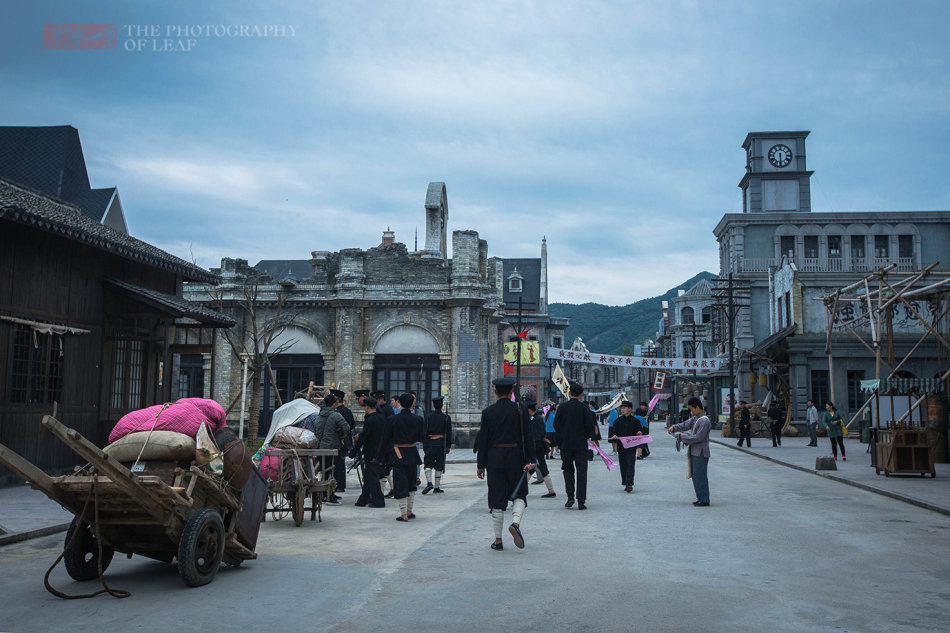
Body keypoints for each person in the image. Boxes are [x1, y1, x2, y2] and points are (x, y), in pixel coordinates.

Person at [476, 377, 535, 550]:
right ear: (511, 392)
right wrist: (531, 459)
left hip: (494, 458)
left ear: (495, 392)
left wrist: (481, 464)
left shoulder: (488, 412)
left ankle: (498, 540)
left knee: (496, 497)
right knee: (520, 493)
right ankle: (515, 523)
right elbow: (529, 436)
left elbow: (483, 440)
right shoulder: (521, 409)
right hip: (516, 457)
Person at [379, 392, 424, 521]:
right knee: (411, 482)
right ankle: (410, 510)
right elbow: (421, 437)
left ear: (400, 403)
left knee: (400, 483)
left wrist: (381, 457)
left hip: (398, 454)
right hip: (412, 453)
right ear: (412, 403)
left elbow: (385, 439)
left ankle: (403, 513)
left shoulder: (392, 419)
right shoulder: (418, 419)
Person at [553, 382, 596, 510]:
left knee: (567, 470)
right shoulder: (584, 408)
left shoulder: (562, 407)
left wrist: (563, 435)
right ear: (581, 394)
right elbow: (590, 426)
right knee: (582, 472)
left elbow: (556, 424)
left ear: (569, 393)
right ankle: (581, 500)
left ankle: (570, 496)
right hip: (581, 445)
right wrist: (585, 436)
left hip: (566, 445)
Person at [667, 396, 711, 506]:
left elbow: (698, 437)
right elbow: (686, 424)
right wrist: (675, 427)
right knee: (695, 475)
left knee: (700, 475)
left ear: (697, 407)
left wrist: (683, 437)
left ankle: (704, 499)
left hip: (701, 451)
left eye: (692, 409)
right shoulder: (696, 418)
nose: (691, 411)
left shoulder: (704, 420)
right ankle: (700, 497)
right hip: (694, 451)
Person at [313, 393, 351, 505]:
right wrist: (341, 436)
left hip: (321, 447)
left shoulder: (319, 416)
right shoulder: (336, 415)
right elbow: (347, 428)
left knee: (324, 471)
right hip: (333, 447)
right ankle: (328, 494)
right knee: (331, 471)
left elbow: (316, 431)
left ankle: (324, 493)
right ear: (334, 404)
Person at [352, 398, 386, 508]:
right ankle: (362, 500)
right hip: (380, 450)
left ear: (367, 407)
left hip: (370, 451)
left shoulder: (370, 420)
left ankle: (379, 501)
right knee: (368, 476)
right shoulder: (381, 418)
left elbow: (364, 437)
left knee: (372, 476)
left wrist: (353, 451)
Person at [526, 398, 556, 497]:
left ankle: (551, 490)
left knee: (538, 467)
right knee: (534, 468)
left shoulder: (536, 420)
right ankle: (550, 490)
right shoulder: (537, 419)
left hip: (536, 447)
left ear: (530, 410)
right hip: (537, 446)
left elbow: (537, 435)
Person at [609, 401, 642, 492]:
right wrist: (615, 435)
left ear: (629, 409)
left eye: (624, 408)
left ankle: (629, 483)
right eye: (621, 408)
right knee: (623, 465)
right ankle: (625, 482)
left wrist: (639, 432)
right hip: (621, 446)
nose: (622, 410)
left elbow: (639, 430)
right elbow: (614, 431)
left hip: (631, 447)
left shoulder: (635, 421)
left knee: (630, 464)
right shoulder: (618, 421)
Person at [422, 396, 452, 494]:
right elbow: (449, 433)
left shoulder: (428, 416)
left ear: (434, 405)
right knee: (439, 465)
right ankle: (436, 487)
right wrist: (448, 446)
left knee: (428, 464)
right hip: (441, 444)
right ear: (442, 405)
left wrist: (425, 445)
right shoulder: (446, 417)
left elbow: (425, 432)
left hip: (430, 443)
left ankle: (429, 482)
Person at [330, 389, 354, 493]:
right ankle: (340, 484)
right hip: (345, 440)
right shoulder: (347, 411)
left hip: (340, 440)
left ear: (337, 399)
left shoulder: (338, 412)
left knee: (338, 464)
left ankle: (339, 485)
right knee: (340, 463)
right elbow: (353, 425)